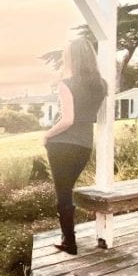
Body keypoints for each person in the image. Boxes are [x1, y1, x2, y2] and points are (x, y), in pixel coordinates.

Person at [43, 35, 107, 255]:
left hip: (62, 144)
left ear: (72, 58)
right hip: (84, 146)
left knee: (63, 193)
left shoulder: (67, 84)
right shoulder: (101, 85)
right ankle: (68, 238)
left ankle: (69, 242)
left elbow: (68, 119)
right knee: (67, 192)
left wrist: (47, 135)